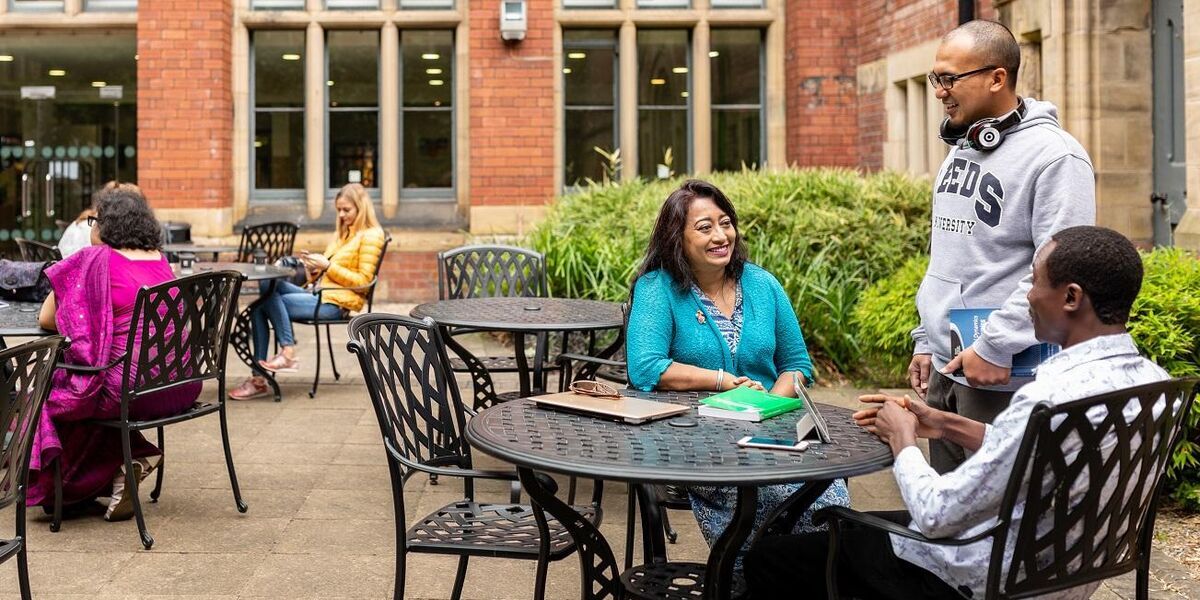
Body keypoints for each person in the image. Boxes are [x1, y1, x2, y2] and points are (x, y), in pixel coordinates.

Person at [745, 226, 1168, 600]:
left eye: (1034, 283)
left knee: (771, 557)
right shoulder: (1153, 383)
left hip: (980, 577)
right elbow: (1041, 450)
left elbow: (937, 513)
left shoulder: (1049, 395)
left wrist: (903, 440)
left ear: (1072, 297)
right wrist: (946, 424)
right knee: (843, 530)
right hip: (1061, 570)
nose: (1027, 297)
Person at [625, 179, 849, 571]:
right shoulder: (658, 288)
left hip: (776, 440)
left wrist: (770, 407)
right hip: (703, 447)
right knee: (770, 529)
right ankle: (753, 577)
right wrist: (723, 382)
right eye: (705, 227)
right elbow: (646, 367)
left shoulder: (762, 285)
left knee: (829, 512)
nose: (720, 236)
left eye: (725, 223)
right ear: (676, 238)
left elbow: (797, 364)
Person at [909, 20, 1096, 473]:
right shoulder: (965, 144)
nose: (939, 91)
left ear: (997, 78)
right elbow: (950, 255)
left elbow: (1059, 269)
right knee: (950, 515)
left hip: (1002, 369)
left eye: (950, 78)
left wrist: (995, 346)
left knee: (1000, 517)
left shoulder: (1056, 158)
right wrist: (926, 338)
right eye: (937, 78)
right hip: (949, 361)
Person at [28, 182, 203, 521]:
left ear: (105, 225)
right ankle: (124, 465)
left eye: (94, 221)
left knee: (55, 387)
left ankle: (71, 486)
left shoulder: (95, 259)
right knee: (86, 379)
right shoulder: (160, 261)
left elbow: (48, 319)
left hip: (130, 392)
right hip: (179, 385)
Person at [228, 183, 386, 400]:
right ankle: (277, 361)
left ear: (361, 208)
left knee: (261, 305)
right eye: (339, 210)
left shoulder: (372, 235)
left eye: (346, 210)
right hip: (320, 292)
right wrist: (313, 267)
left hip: (336, 303)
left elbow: (363, 282)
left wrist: (327, 266)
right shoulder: (344, 234)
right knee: (269, 283)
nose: (341, 215)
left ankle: (271, 368)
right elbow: (325, 274)